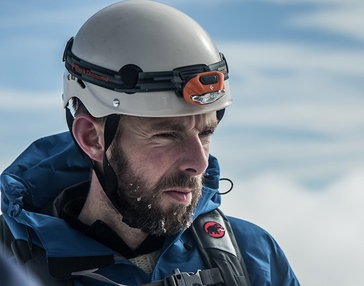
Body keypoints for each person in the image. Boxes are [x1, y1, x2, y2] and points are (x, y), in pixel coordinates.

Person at [0, 1, 300, 285]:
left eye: (205, 134)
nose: (199, 163)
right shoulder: (10, 266)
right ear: (91, 138)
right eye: (167, 135)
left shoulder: (253, 257)